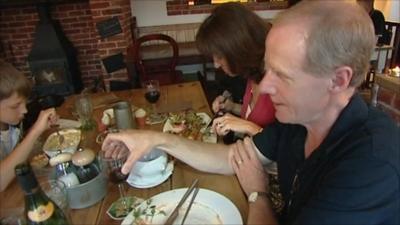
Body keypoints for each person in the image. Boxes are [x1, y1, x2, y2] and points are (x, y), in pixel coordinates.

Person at [101, 1, 399, 224]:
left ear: (338, 80)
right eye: (267, 69)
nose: (265, 86)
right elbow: (231, 158)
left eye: (282, 75)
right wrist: (156, 140)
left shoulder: (370, 164)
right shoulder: (300, 119)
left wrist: (258, 194)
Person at [195, 2, 275, 137]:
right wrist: (231, 107)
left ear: (238, 48)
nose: (216, 65)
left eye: (219, 57)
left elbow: (290, 149)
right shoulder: (251, 73)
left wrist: (248, 127)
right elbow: (255, 116)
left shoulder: (277, 82)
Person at [0, 60, 58, 192]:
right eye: (15, 106)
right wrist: (36, 131)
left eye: (24, 103)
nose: (24, 110)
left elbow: (16, 152)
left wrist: (42, 127)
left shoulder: (7, 125)